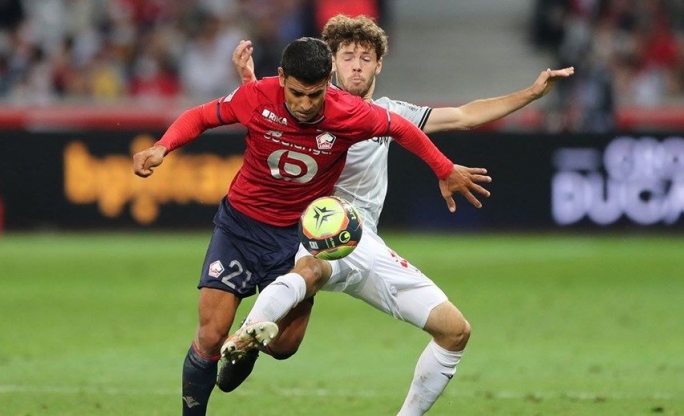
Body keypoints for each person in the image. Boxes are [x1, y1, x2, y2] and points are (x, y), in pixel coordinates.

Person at [219, 15, 574, 415]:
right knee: (310, 276)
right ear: (332, 63)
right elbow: (268, 117)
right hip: (319, 227)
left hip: (365, 242)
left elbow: (464, 115)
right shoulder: (312, 108)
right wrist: (251, 83)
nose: (356, 66)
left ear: (379, 65)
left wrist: (532, 93)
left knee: (454, 331)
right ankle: (247, 333)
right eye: (347, 56)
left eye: (365, 58)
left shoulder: (388, 114)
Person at [132, 36, 492, 416]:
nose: (305, 105)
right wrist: (162, 146)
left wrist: (444, 169)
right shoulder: (257, 96)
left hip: (295, 236)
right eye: (297, 94)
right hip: (240, 227)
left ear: (328, 81)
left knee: (284, 347)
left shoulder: (349, 111)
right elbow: (201, 116)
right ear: (281, 77)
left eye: (315, 94)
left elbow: (403, 129)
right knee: (210, 335)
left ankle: (250, 345)